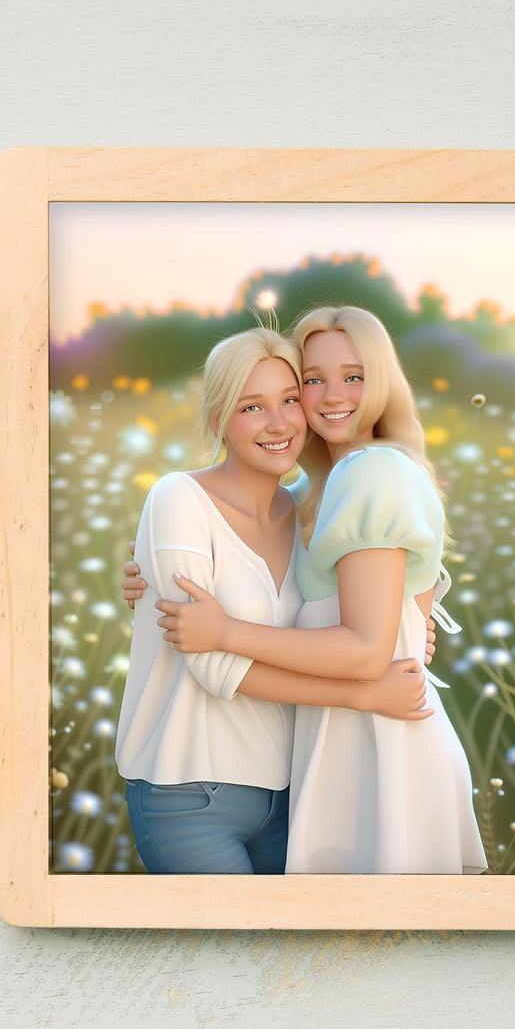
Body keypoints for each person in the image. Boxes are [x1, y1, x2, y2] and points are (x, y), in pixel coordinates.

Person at [151, 306, 487, 874]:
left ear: (382, 380)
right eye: (313, 380)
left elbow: (364, 651)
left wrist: (227, 631)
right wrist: (147, 569)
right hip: (345, 746)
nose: (333, 395)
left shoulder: (372, 474)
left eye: (354, 376)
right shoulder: (316, 488)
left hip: (382, 744)